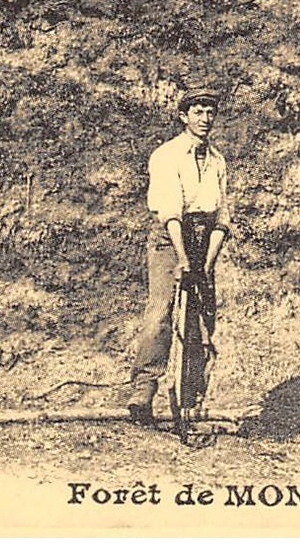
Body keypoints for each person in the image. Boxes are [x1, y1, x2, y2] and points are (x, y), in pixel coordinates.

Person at [126, 82, 232, 426]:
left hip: (205, 239)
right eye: (197, 112)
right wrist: (183, 258)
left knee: (201, 316)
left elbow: (222, 218)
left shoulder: (217, 161)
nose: (205, 118)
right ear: (184, 116)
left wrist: (206, 262)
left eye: (210, 112)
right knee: (162, 309)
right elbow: (170, 212)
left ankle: (190, 397)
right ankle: (143, 389)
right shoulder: (167, 155)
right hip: (170, 236)